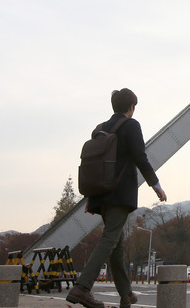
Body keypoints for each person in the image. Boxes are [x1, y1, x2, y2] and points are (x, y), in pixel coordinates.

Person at [67, 88, 167, 308]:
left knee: (116, 245)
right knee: (110, 239)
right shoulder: (132, 125)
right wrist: (156, 185)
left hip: (100, 195)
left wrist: (90, 199)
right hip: (119, 194)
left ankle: (126, 295)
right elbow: (140, 156)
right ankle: (82, 288)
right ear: (131, 107)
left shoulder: (100, 129)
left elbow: (93, 167)